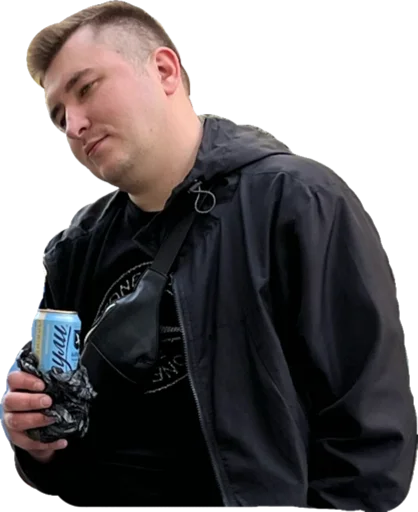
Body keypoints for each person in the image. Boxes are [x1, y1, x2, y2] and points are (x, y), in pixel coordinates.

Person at [2, 1, 416, 507]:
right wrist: (38, 443)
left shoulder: (297, 204)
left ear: (164, 70)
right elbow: (66, 448)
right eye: (59, 114)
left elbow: (370, 430)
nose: (74, 124)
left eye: (86, 88)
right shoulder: (75, 251)